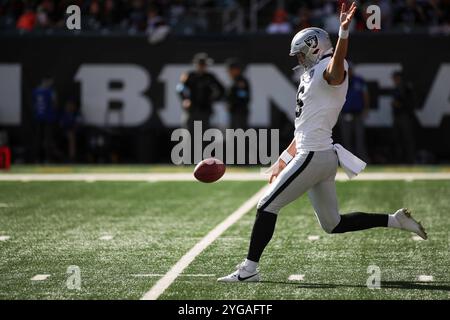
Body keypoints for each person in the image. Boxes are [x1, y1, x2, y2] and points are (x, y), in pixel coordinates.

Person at [218, 2, 427, 283]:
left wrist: (343, 33)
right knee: (333, 224)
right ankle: (395, 220)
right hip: (319, 153)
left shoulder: (332, 69)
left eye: (302, 53)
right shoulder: (310, 75)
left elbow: (337, 66)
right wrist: (280, 162)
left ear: (315, 48)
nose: (300, 59)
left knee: (266, 206)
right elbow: (302, 129)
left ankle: (249, 269)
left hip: (314, 154)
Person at [176, 52, 224, 134]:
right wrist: (185, 99)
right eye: (200, 64)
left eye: (203, 64)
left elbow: (221, 90)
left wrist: (212, 99)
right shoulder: (190, 75)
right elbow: (180, 88)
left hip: (205, 110)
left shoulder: (210, 77)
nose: (202, 66)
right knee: (189, 134)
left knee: (204, 135)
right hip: (191, 110)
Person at [338, 63, 369, 161]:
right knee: (346, 139)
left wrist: (366, 109)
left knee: (359, 139)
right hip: (345, 114)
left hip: (358, 114)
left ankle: (363, 160)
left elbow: (365, 95)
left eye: (350, 69)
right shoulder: (340, 80)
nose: (349, 71)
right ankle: (349, 162)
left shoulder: (359, 81)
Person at [391, 71, 417, 163]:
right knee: (398, 139)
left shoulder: (406, 88)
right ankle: (400, 160)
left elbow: (411, 102)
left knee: (407, 139)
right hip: (397, 117)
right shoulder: (396, 88)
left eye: (396, 78)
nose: (395, 80)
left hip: (404, 117)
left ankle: (411, 160)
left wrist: (400, 104)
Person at [225, 58, 251, 129]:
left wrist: (232, 103)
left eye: (230, 70)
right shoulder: (235, 81)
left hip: (239, 113)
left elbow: (243, 96)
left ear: (236, 70)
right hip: (235, 112)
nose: (229, 72)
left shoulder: (241, 82)